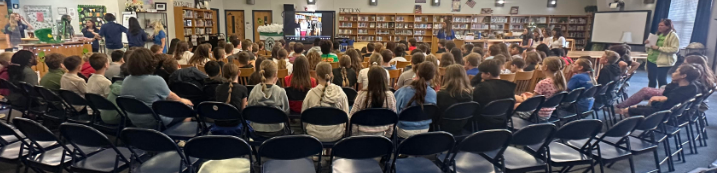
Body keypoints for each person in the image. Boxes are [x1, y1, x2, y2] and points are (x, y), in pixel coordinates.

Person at [121, 48, 193, 129]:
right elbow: (175, 99)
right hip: (155, 121)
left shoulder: (126, 80)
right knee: (188, 111)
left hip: (135, 120)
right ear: (150, 63)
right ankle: (178, 139)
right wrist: (187, 101)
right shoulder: (156, 80)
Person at [617, 64, 699, 117]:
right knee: (633, 108)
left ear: (683, 76)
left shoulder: (679, 93)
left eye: (676, 72)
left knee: (628, 111)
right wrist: (673, 82)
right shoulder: (692, 87)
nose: (673, 73)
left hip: (660, 115)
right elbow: (666, 94)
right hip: (665, 112)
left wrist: (651, 102)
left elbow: (662, 105)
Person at [301, 62, 350, 142]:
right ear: (331, 74)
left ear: (316, 75)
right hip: (336, 133)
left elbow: (304, 117)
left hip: (314, 134)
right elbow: (346, 116)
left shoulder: (310, 94)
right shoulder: (340, 92)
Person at [350, 66, 396, 136]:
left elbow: (352, 117)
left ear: (369, 79)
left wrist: (355, 135)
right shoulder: (389, 96)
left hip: (361, 134)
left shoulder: (361, 95)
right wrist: (388, 136)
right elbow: (393, 118)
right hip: (383, 135)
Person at [248, 60, 290, 137]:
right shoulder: (280, 91)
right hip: (276, 130)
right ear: (275, 74)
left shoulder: (254, 90)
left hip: (257, 129)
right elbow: (286, 112)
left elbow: (250, 108)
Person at [515, 57, 566, 121]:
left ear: (545, 67)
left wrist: (525, 97)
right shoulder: (559, 82)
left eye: (542, 64)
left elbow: (532, 103)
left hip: (536, 113)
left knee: (515, 104)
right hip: (547, 114)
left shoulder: (543, 83)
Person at [394, 62, 437, 138]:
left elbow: (395, 111)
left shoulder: (404, 91)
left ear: (417, 73)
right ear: (432, 77)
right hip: (425, 128)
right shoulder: (433, 93)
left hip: (404, 130)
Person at [213, 63, 249, 136]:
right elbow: (243, 110)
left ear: (223, 74)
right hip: (235, 123)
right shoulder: (243, 89)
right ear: (239, 73)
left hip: (220, 122)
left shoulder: (218, 88)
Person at [437, 64, 473, 134]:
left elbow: (437, 114)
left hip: (444, 126)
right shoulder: (470, 92)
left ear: (447, 77)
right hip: (463, 124)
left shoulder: (441, 94)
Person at [645, 19, 680, 88]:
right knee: (651, 79)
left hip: (663, 61)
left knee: (661, 80)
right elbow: (651, 47)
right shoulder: (658, 34)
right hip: (651, 59)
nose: (659, 27)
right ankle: (650, 94)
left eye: (662, 25)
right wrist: (648, 43)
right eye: (659, 25)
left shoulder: (673, 36)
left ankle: (662, 95)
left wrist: (658, 48)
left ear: (668, 26)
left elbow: (675, 49)